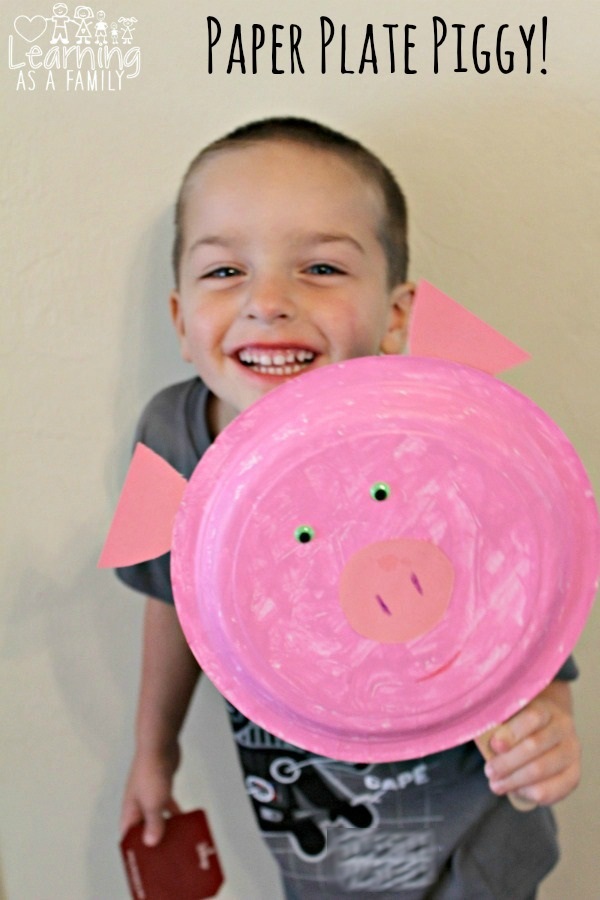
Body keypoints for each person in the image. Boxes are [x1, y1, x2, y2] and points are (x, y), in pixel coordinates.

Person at [116, 117, 581, 898]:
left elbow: (530, 609)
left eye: (322, 267)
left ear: (397, 315)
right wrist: (153, 750)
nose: (268, 302)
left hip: (471, 850)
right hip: (312, 848)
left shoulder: (448, 441)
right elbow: (173, 599)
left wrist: (550, 727)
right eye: (225, 271)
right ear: (180, 322)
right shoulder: (174, 437)